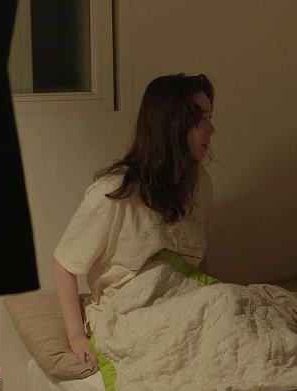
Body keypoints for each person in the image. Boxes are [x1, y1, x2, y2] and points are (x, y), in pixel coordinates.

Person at [53, 73, 216, 365]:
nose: (212, 129)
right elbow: (64, 264)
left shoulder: (199, 182)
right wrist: (76, 336)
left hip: (186, 303)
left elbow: (198, 258)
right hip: (130, 316)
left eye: (210, 118)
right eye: (202, 120)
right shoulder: (114, 193)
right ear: (173, 126)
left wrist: (213, 297)